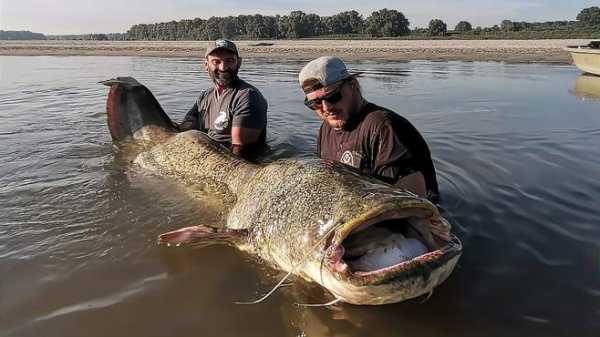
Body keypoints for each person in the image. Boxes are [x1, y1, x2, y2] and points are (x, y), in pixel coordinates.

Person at [298, 56, 439, 203]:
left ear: (353, 85)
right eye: (315, 103)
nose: (326, 108)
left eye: (333, 96)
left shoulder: (384, 127)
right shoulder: (326, 129)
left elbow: (411, 204)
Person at [179, 39, 268, 160]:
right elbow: (185, 129)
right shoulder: (204, 96)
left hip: (235, 165)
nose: (223, 67)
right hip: (209, 155)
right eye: (216, 61)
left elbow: (240, 152)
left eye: (229, 61)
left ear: (239, 62)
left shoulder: (247, 96)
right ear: (206, 65)